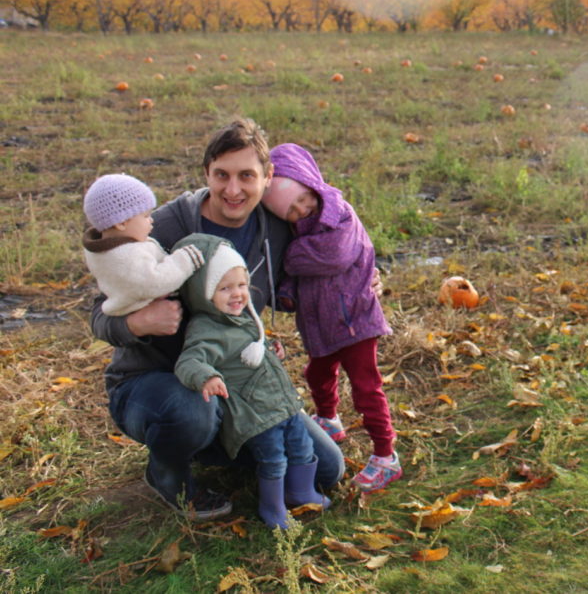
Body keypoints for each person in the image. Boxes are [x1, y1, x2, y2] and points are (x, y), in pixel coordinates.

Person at [90, 118, 344, 520]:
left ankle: (221, 443)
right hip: (153, 381)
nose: (233, 189)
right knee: (193, 414)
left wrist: (363, 281)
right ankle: (170, 473)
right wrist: (138, 324)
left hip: (235, 381)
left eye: (247, 176)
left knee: (329, 469)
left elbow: (333, 241)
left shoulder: (274, 229)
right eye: (221, 175)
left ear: (267, 176)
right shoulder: (164, 228)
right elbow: (98, 317)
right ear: (205, 172)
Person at [261, 143, 401, 492]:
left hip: (354, 319)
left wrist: (288, 258)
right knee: (317, 372)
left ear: (311, 183)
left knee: (366, 387)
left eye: (303, 198)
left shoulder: (338, 213)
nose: (301, 209)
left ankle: (386, 456)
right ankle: (328, 419)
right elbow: (294, 278)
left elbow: (333, 256)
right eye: (291, 211)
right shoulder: (300, 230)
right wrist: (288, 292)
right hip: (319, 323)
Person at [172, 234, 329, 528]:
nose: (237, 294)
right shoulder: (206, 329)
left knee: (302, 445)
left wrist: (271, 351)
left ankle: (300, 490)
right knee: (273, 458)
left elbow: (249, 351)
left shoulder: (242, 316)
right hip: (256, 414)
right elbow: (189, 361)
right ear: (203, 293)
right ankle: (272, 507)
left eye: (242, 285)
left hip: (282, 404)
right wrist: (207, 376)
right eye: (225, 288)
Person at [82, 173, 204, 317]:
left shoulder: (101, 250)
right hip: (144, 308)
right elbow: (156, 282)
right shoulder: (126, 257)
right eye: (146, 216)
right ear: (121, 223)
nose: (151, 220)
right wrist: (185, 260)